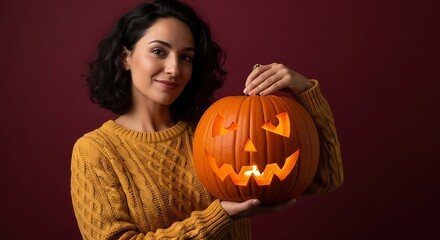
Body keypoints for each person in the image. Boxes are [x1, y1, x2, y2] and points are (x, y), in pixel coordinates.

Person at [70, 0, 343, 239]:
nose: (174, 69)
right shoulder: (96, 152)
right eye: (158, 51)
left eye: (186, 57)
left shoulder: (211, 130)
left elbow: (326, 179)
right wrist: (221, 216)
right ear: (125, 57)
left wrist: (305, 91)